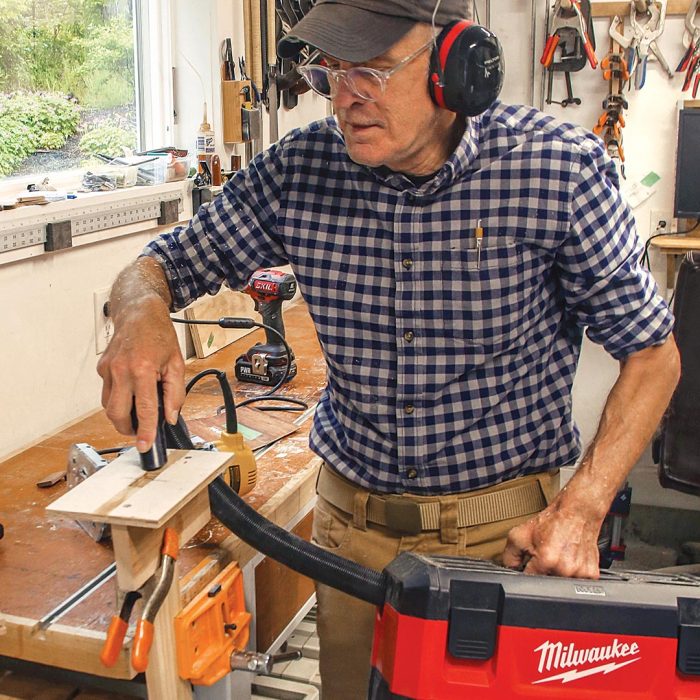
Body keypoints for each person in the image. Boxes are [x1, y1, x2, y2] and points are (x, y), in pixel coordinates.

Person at [97, 0, 680, 697]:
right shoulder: (299, 171)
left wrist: (582, 511)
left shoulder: (556, 171)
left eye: (371, 71)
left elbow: (654, 354)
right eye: (333, 73)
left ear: (456, 66)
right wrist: (139, 308)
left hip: (505, 542)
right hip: (352, 541)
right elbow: (164, 263)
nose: (345, 100)